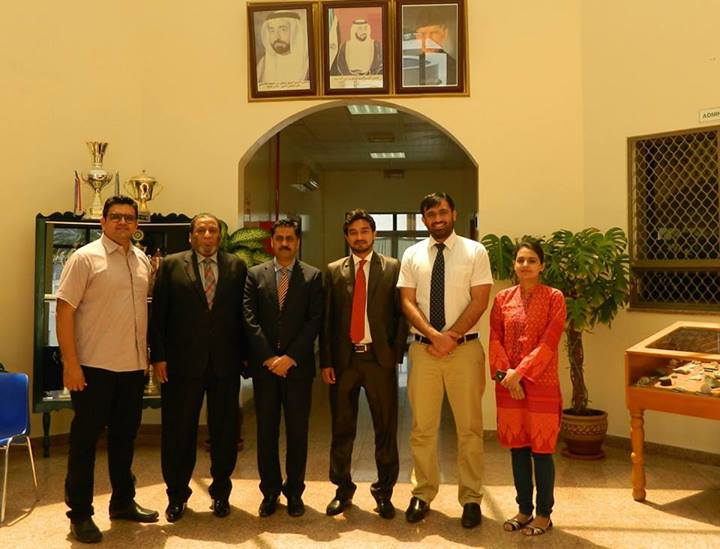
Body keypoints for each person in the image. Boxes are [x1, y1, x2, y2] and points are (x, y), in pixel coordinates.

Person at [56, 195, 158, 544]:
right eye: (115, 217)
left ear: (136, 224)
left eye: (129, 218)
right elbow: (64, 311)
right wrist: (71, 364)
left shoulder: (141, 259)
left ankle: (123, 501)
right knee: (85, 443)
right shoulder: (85, 258)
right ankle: (80, 514)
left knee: (124, 439)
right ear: (102, 221)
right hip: (92, 367)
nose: (122, 222)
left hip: (132, 368)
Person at [397, 192, 493, 529]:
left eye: (442, 212)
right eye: (430, 214)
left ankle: (471, 498)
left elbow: (480, 300)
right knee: (422, 428)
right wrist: (434, 336)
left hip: (464, 350)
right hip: (424, 351)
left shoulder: (475, 251)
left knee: (469, 429)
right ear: (424, 219)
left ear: (453, 213)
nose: (437, 219)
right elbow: (407, 302)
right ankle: (423, 493)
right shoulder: (412, 254)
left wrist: (450, 336)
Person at [150, 213, 247, 522]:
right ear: (191, 236)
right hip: (181, 365)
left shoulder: (236, 266)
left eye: (212, 230)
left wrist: (246, 358)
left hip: (225, 364)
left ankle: (221, 493)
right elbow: (158, 315)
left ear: (219, 236)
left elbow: (244, 317)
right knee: (178, 432)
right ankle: (177, 495)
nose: (207, 235)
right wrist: (159, 357)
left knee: (225, 432)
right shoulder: (171, 265)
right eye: (201, 230)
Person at [321, 210, 407, 519]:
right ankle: (342, 490)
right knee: (342, 428)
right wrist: (326, 361)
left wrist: (396, 354)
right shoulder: (333, 271)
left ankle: (384, 492)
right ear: (347, 236)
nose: (360, 237)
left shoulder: (393, 268)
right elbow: (327, 320)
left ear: (374, 234)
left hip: (378, 360)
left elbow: (401, 315)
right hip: (344, 361)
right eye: (354, 232)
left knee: (386, 428)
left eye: (365, 231)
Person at [243, 218, 322, 518]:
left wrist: (290, 357)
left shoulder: (312, 276)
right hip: (265, 369)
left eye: (290, 238)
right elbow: (249, 318)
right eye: (280, 238)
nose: (285, 243)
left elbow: (314, 321)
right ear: (272, 242)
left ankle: (295, 492)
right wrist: (267, 357)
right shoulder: (255, 275)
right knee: (266, 432)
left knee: (298, 432)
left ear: (298, 241)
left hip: (298, 369)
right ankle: (270, 491)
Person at [489, 241, 565, 537]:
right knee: (518, 449)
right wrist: (507, 377)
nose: (525, 265)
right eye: (520, 260)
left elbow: (549, 341)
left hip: (541, 384)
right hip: (508, 386)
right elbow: (495, 338)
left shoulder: (554, 297)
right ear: (514, 265)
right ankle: (524, 510)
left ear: (542, 265)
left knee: (542, 451)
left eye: (532, 260)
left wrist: (520, 373)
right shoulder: (502, 299)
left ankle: (544, 515)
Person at [256, 10, 309, 85]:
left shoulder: (308, 64)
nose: (276, 37)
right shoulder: (262, 64)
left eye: (283, 30)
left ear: (296, 32)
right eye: (272, 31)